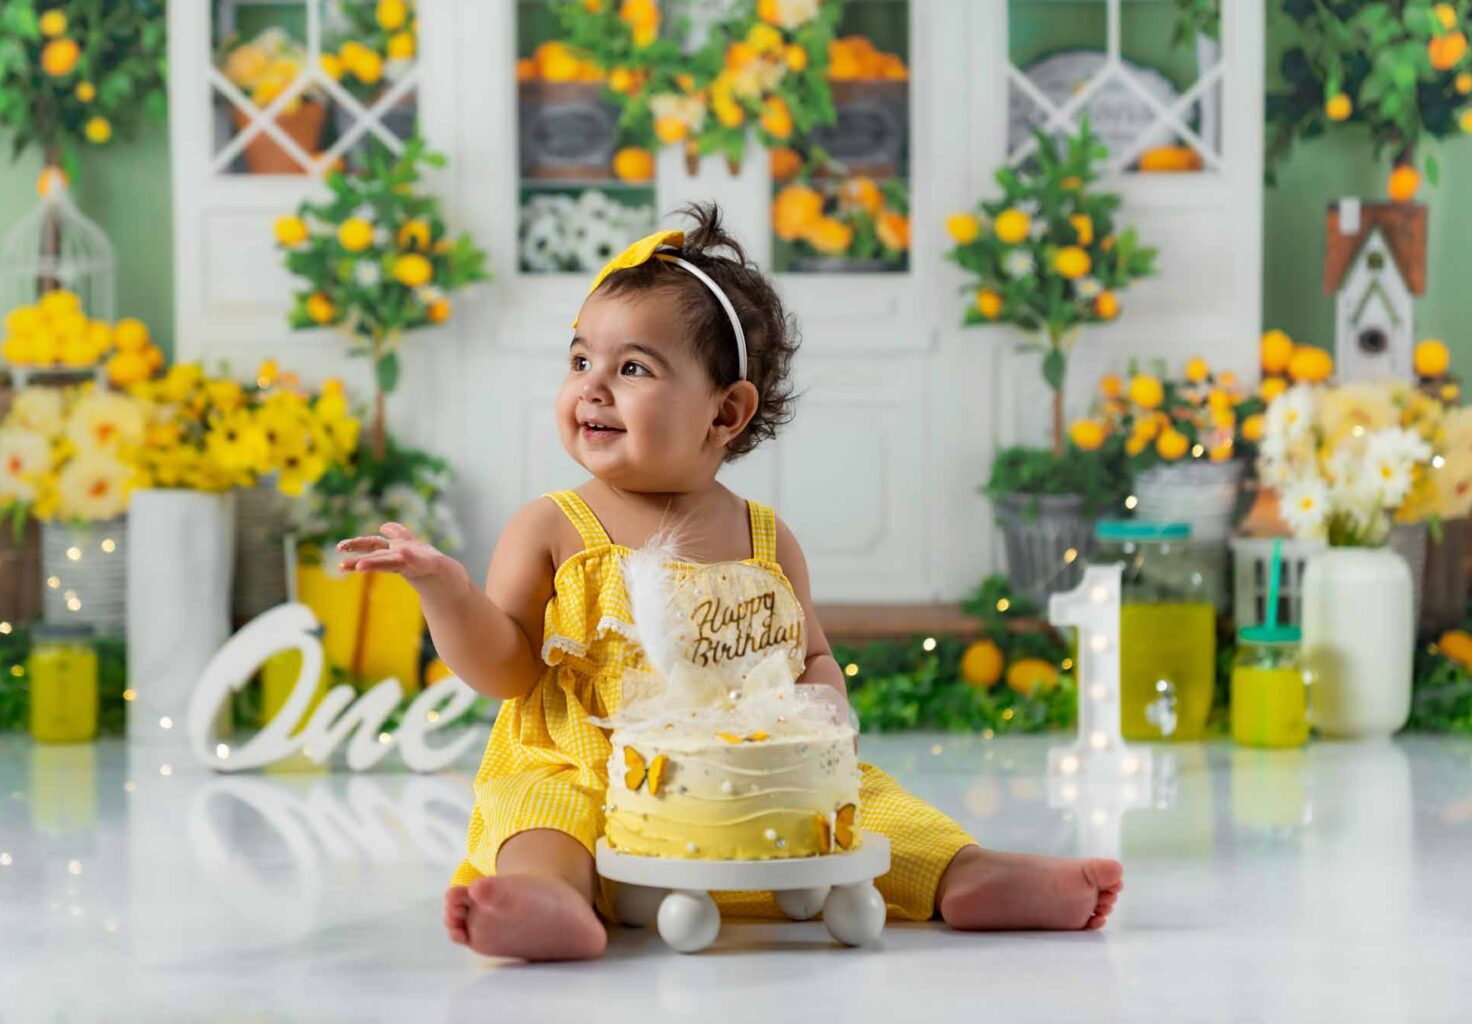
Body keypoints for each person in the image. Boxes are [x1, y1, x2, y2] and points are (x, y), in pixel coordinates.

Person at [338, 203, 1123, 961]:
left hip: (750, 791)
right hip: (588, 769)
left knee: (874, 806)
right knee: (539, 815)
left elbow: (811, 658)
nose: (592, 387)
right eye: (579, 361)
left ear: (725, 414)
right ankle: (549, 900)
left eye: (632, 368)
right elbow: (504, 671)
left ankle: (970, 875)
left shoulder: (765, 540)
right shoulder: (550, 528)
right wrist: (444, 589)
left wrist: (823, 722)